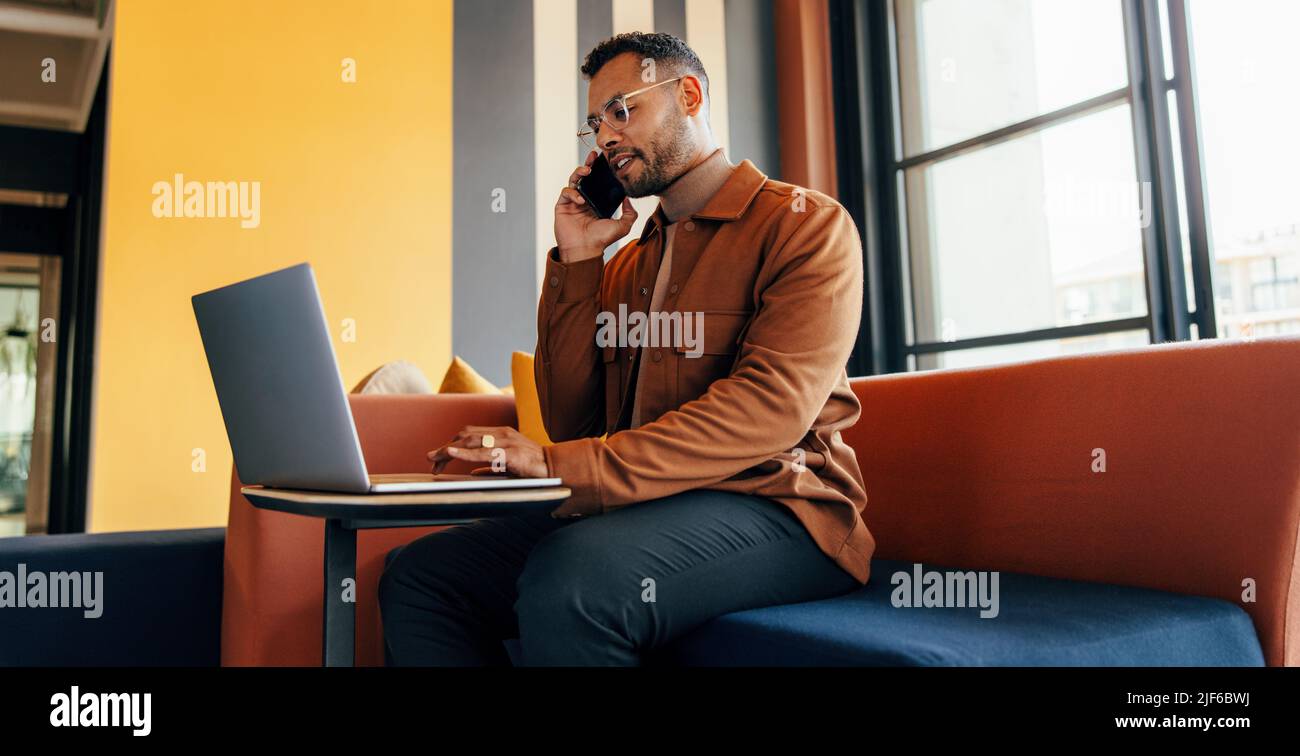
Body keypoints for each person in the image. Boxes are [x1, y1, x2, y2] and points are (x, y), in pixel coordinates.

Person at [379, 31, 874, 666]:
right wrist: (579, 262)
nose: (605, 136)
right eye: (595, 123)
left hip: (783, 508)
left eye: (623, 109)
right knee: (422, 576)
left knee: (574, 579)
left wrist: (562, 469)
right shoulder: (626, 263)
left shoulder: (806, 226)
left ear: (688, 95)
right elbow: (571, 422)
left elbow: (768, 412)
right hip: (649, 508)